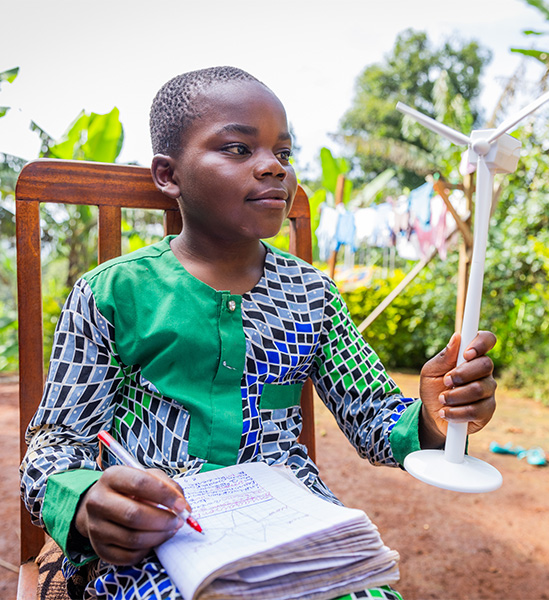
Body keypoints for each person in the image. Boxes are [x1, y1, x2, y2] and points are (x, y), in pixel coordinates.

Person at [20, 66, 497, 600]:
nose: (273, 167)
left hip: (294, 534)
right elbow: (54, 445)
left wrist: (432, 417)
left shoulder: (312, 294)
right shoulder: (112, 293)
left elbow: (373, 419)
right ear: (168, 176)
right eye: (238, 149)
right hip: (161, 536)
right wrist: (85, 502)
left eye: (283, 154)